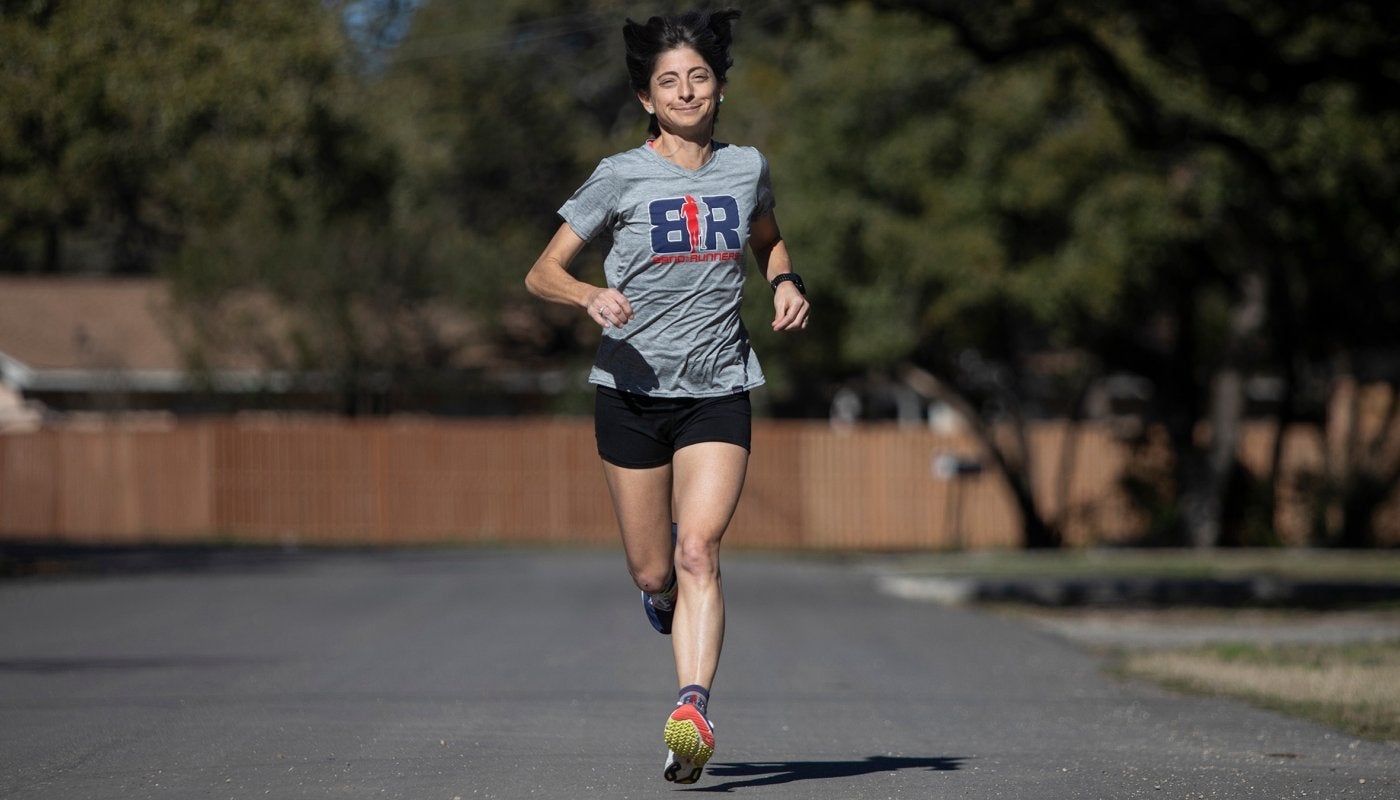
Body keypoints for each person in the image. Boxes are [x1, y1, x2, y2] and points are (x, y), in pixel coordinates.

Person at [524, 7, 810, 786]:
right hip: (632, 393)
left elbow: (766, 236)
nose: (687, 90)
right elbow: (541, 271)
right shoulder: (619, 176)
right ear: (648, 98)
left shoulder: (746, 166)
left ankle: (692, 710)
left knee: (699, 550)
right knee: (655, 572)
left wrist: (784, 280)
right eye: (669, 82)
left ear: (718, 87)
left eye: (699, 77)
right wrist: (587, 297)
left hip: (719, 387)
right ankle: (662, 601)